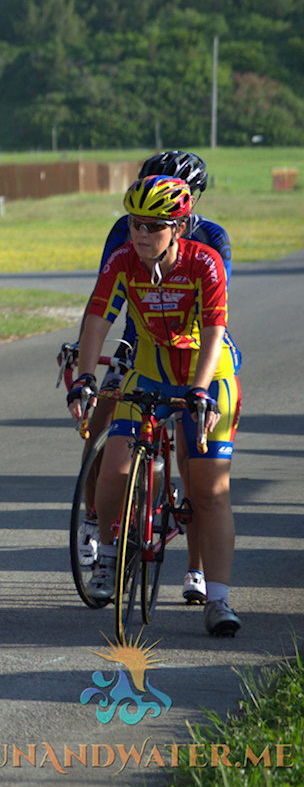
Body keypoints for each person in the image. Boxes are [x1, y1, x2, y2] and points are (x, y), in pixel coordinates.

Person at [66, 175, 240, 637]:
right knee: (114, 469)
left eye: (154, 226)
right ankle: (107, 558)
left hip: (209, 373)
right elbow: (98, 319)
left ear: (178, 227)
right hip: (149, 371)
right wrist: (84, 379)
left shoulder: (204, 262)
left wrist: (200, 391)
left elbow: (215, 331)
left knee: (209, 491)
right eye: (135, 224)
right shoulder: (124, 261)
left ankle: (218, 600)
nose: (141, 234)